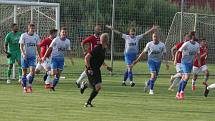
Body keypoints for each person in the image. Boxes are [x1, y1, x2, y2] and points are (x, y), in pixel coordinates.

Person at [80, 33, 112, 107]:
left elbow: (100, 61)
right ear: (106, 40)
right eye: (106, 38)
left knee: (97, 87)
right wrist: (89, 68)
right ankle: (88, 102)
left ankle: (85, 85)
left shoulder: (103, 49)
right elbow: (87, 57)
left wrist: (107, 67)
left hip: (96, 70)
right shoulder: (97, 48)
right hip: (91, 69)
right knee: (97, 87)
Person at [42, 27, 73, 91]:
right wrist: (44, 56)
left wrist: (71, 59)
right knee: (53, 73)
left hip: (61, 60)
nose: (64, 33)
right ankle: (47, 73)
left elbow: (68, 51)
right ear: (60, 33)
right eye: (63, 32)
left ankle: (53, 86)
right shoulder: (56, 40)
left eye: (65, 32)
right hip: (54, 58)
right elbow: (49, 48)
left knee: (58, 74)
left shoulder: (68, 41)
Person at [174, 32, 200, 100]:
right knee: (187, 77)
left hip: (190, 63)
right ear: (192, 36)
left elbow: (198, 54)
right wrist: (175, 60)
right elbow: (178, 51)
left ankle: (178, 93)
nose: (196, 36)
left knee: (184, 78)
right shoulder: (186, 44)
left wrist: (199, 63)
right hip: (184, 63)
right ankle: (182, 92)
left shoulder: (197, 45)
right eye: (195, 35)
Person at [19, 23, 40, 93]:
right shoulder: (23, 35)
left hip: (32, 57)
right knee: (24, 73)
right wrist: (23, 54)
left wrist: (39, 56)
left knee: (32, 72)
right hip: (24, 57)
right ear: (28, 29)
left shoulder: (36, 36)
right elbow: (21, 46)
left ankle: (30, 86)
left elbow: (38, 47)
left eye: (34, 28)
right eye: (31, 28)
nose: (33, 30)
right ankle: (25, 88)